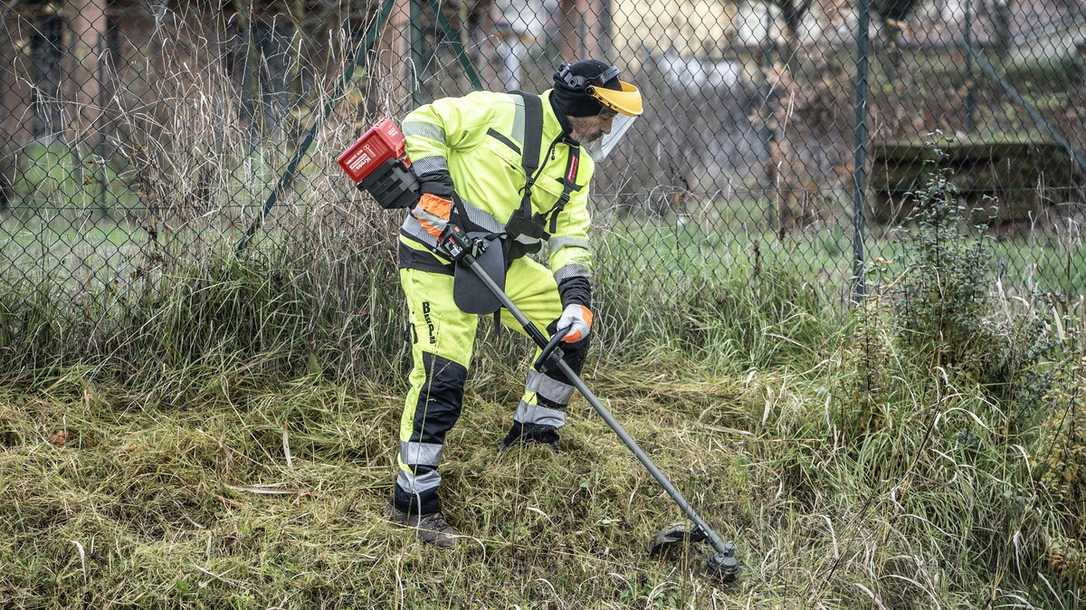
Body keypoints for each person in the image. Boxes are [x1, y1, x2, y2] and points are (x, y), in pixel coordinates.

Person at [384, 59, 643, 547]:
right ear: (582, 105)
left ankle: (532, 437)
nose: (608, 127)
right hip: (437, 255)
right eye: (604, 116)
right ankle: (413, 499)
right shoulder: (499, 111)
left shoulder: (577, 165)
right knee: (443, 375)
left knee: (570, 333)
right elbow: (422, 121)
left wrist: (576, 299)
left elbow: (571, 237)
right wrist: (437, 190)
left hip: (502, 261)